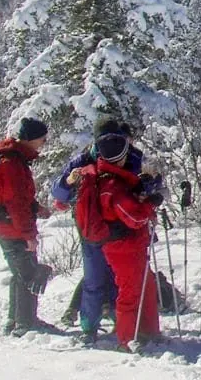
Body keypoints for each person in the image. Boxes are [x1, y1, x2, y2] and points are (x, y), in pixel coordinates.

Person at [53, 119, 144, 342]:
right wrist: (68, 180)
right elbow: (59, 193)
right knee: (95, 277)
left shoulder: (131, 155)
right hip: (92, 225)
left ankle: (115, 319)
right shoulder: (83, 160)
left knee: (114, 276)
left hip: (117, 225)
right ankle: (89, 326)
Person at [76, 130, 164, 351]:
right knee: (131, 290)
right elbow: (134, 217)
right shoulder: (113, 186)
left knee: (146, 284)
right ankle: (127, 339)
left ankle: (146, 330)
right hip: (123, 245)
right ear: (121, 156)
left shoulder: (110, 179)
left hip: (126, 244)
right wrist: (149, 204)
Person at [0, 117, 56, 337]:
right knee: (29, 274)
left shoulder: (13, 159)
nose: (43, 143)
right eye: (42, 139)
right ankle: (26, 324)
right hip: (12, 228)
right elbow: (15, 203)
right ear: (30, 139)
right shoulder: (12, 163)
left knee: (20, 273)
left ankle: (16, 320)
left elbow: (20, 198)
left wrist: (36, 208)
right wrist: (28, 235)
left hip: (7, 225)